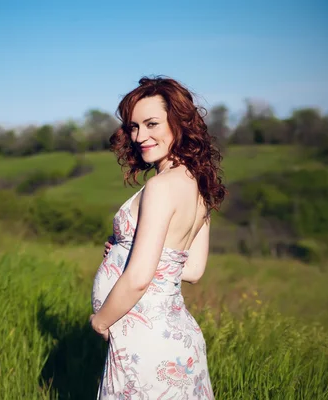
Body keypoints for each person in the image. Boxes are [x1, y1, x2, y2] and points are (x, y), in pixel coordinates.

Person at [89, 76, 226, 399]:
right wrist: (123, 249)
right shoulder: (197, 183)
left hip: (146, 338)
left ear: (179, 123)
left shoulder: (161, 187)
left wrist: (100, 321)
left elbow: (138, 278)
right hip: (174, 337)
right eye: (134, 127)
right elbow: (191, 270)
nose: (139, 137)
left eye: (152, 124)